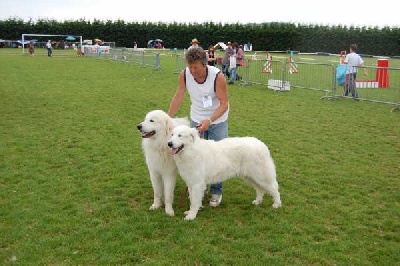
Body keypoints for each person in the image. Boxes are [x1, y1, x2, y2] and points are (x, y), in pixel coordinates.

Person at [168, 47, 229, 208]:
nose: (192, 70)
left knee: (219, 156)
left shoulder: (218, 76)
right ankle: (199, 188)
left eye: (196, 67)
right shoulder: (185, 75)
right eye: (190, 67)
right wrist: (167, 118)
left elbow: (224, 104)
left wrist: (210, 119)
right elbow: (179, 96)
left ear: (205, 64)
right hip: (196, 119)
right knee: (196, 156)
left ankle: (216, 191)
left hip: (217, 120)